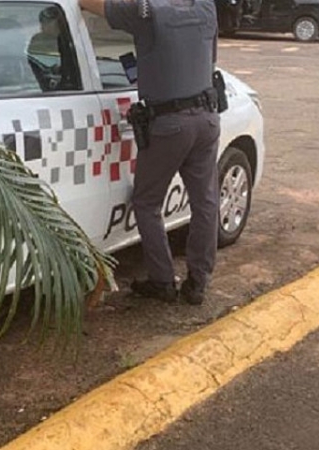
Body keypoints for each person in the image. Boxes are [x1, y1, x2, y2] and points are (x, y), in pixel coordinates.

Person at [80, 0, 221, 305]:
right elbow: (208, 60)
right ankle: (198, 282)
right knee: (206, 202)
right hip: (207, 118)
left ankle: (162, 280)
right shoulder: (207, 7)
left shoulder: (146, 11)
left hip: (169, 125)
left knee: (146, 202)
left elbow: (88, 3)